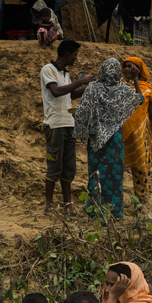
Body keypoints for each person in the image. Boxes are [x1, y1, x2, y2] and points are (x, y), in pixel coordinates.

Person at [75, 58, 143, 219]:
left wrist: (83, 133)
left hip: (96, 140)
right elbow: (140, 99)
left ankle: (94, 210)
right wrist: (135, 79)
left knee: (95, 173)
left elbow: (80, 113)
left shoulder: (92, 88)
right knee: (114, 175)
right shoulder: (123, 90)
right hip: (114, 140)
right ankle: (114, 213)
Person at [41, 40, 93, 215]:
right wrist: (79, 82)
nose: (76, 58)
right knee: (54, 165)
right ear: (66, 54)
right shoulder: (48, 70)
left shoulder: (65, 74)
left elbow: (70, 94)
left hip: (69, 123)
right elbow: (56, 92)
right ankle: (49, 205)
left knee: (68, 166)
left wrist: (87, 88)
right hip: (55, 124)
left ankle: (67, 204)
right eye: (74, 54)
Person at [120, 56, 152, 203]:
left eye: (130, 66)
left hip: (139, 133)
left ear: (139, 69)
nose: (127, 69)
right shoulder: (118, 86)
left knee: (140, 168)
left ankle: (141, 200)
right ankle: (115, 201)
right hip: (121, 133)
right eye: (125, 66)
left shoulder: (149, 88)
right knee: (117, 167)